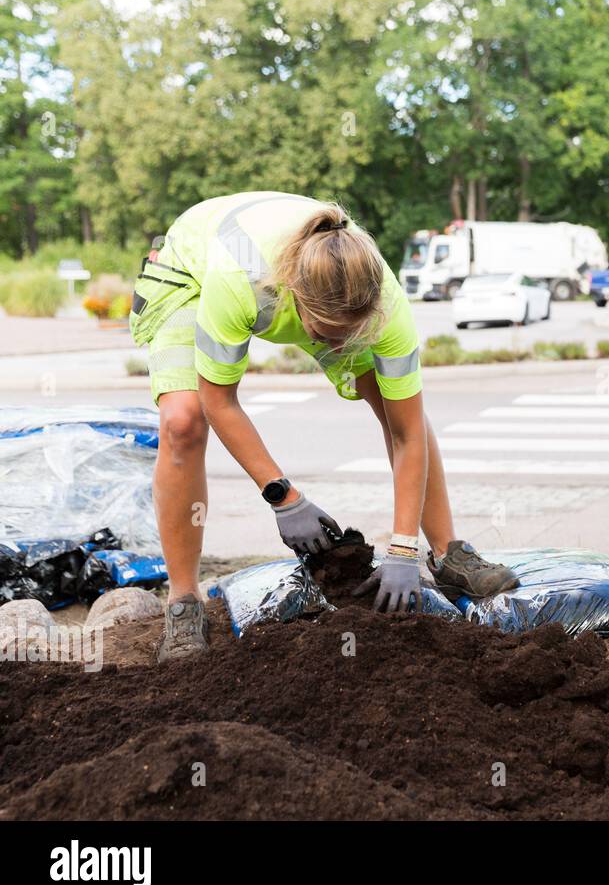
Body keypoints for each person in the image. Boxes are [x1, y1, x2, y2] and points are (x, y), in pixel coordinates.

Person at [129, 191, 518, 662]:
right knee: (183, 421)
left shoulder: (383, 304)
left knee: (398, 408)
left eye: (349, 332)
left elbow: (407, 432)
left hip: (323, 295)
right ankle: (183, 600)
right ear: (296, 297)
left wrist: (402, 548)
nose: (338, 343)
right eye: (325, 330)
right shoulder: (238, 278)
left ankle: (448, 552)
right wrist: (283, 497)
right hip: (190, 273)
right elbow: (220, 402)